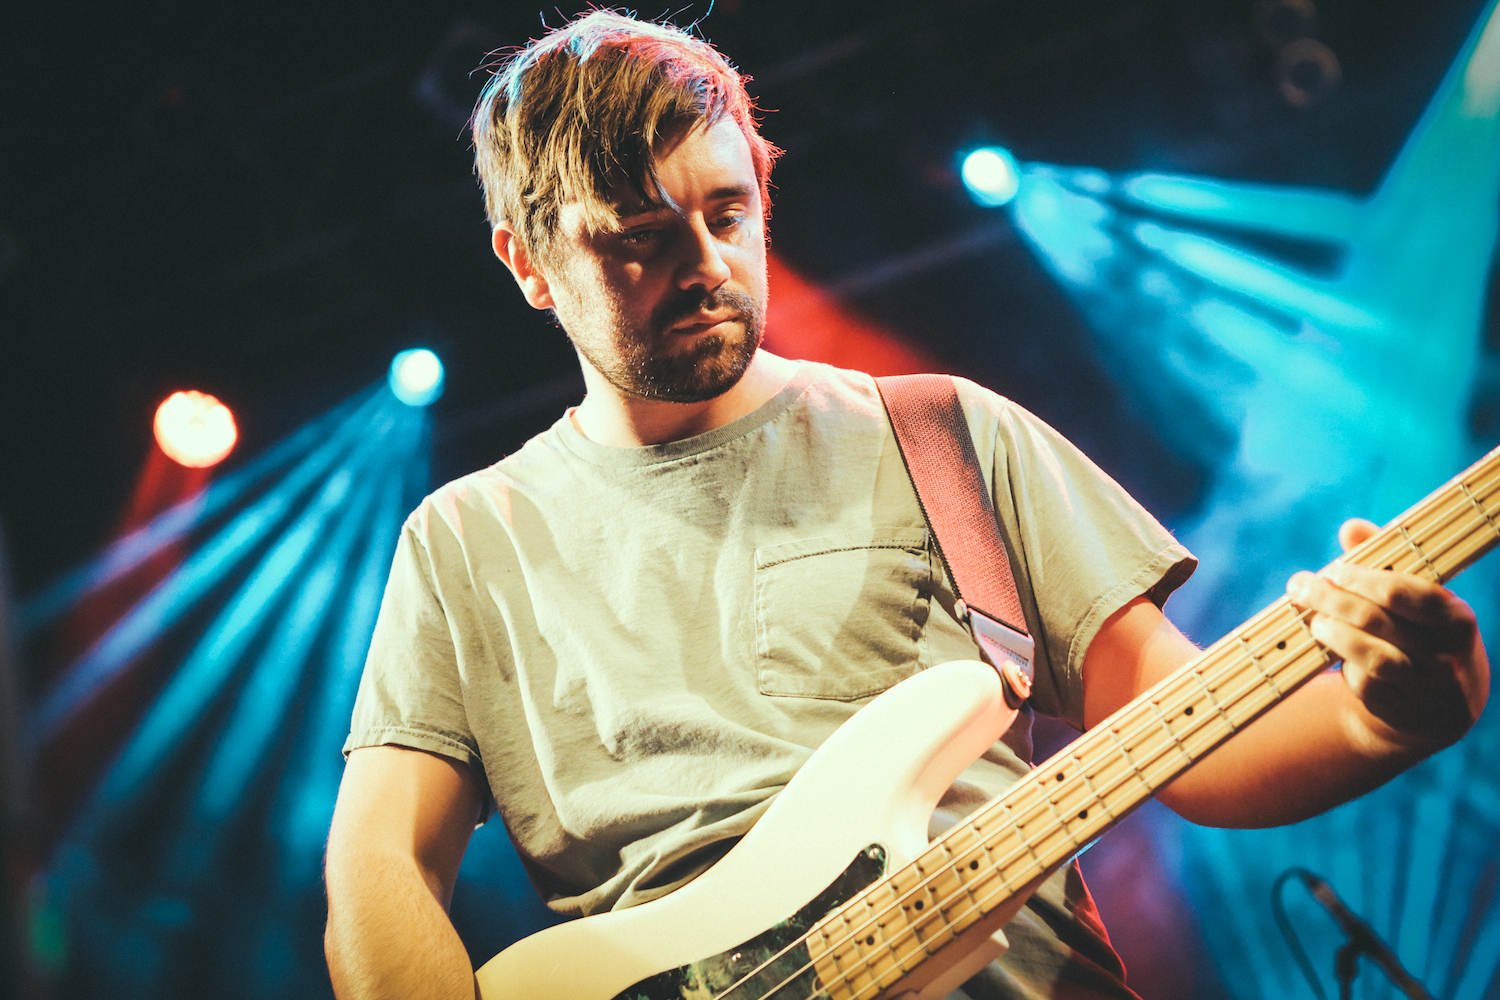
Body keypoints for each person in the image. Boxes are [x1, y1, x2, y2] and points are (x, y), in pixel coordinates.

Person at [322, 11, 1490, 1000]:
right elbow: (378, 870)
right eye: (639, 241)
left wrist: (1385, 716)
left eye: (727, 214)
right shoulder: (468, 542)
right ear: (528, 263)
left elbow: (1187, 739)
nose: (707, 264)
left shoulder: (942, 435)